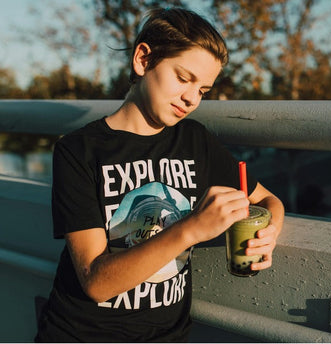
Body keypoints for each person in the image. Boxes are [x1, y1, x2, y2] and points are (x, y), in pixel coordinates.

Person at [35, 7, 284, 342]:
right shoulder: (78, 151)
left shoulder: (195, 140)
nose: (191, 98)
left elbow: (268, 199)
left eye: (203, 90)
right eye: (183, 78)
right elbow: (96, 283)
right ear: (143, 59)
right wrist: (191, 228)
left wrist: (270, 231)